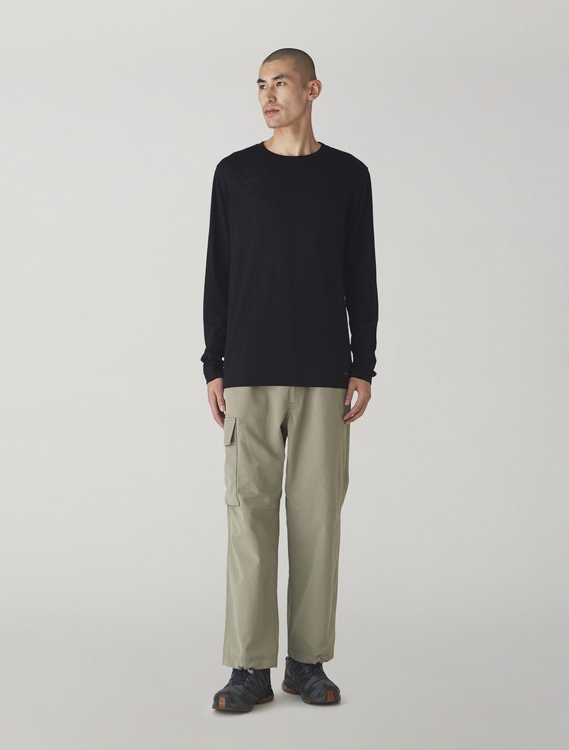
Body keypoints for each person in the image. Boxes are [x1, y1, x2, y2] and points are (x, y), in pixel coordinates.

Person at [202, 47, 379, 713]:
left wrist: (363, 363)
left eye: (280, 82)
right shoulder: (235, 174)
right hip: (249, 372)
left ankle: (307, 662)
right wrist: (214, 364)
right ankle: (249, 667)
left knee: (316, 522)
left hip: (325, 374)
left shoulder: (348, 176)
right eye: (260, 85)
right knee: (248, 518)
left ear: (312, 90)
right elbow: (218, 272)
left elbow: (361, 273)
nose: (267, 95)